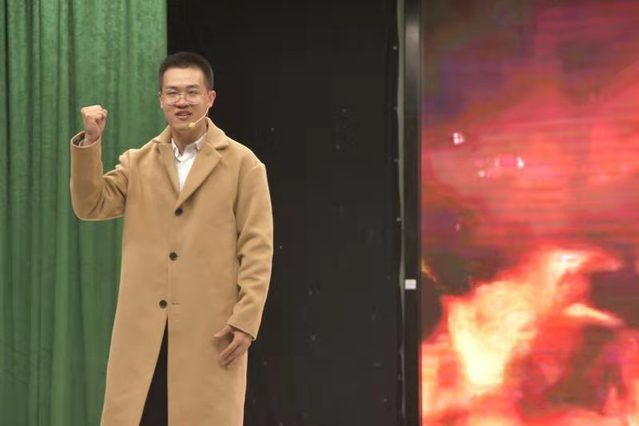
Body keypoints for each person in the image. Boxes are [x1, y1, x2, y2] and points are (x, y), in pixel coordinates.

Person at [69, 52, 273, 426]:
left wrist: (247, 319)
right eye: (173, 92)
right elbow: (91, 204)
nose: (182, 101)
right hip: (144, 327)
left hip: (210, 329)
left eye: (192, 92)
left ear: (210, 98)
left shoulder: (243, 164)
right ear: (160, 99)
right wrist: (91, 142)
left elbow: (257, 248)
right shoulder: (138, 162)